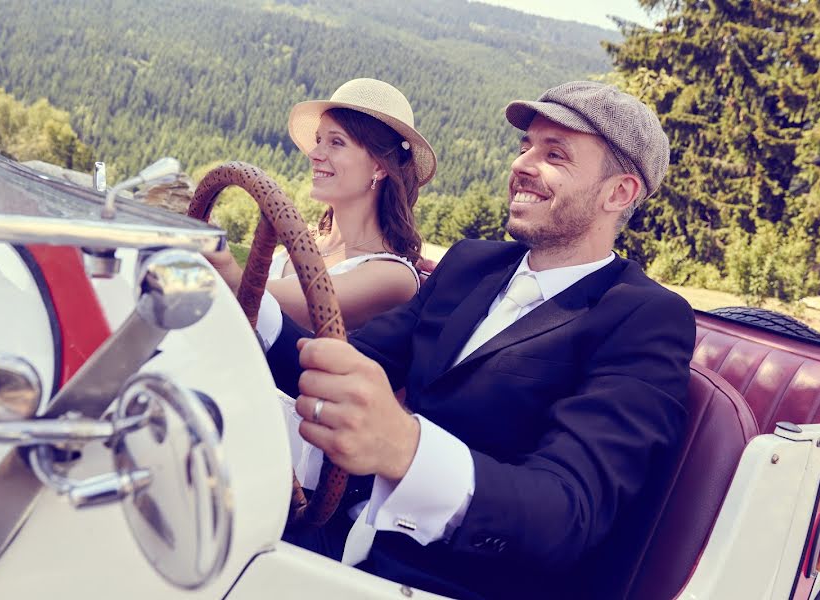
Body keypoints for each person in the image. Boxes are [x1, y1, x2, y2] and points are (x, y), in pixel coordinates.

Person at [264, 81, 696, 600]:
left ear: (619, 193)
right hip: (332, 532)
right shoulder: (472, 264)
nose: (523, 164)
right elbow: (346, 361)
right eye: (524, 147)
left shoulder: (642, 317)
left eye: (554, 154)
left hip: (444, 581)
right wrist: (244, 303)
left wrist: (405, 448)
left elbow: (568, 512)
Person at [208, 78, 437, 332]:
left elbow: (257, 301)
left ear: (379, 166)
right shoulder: (310, 240)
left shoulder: (393, 277)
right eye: (318, 139)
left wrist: (212, 252)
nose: (314, 153)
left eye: (336, 142)